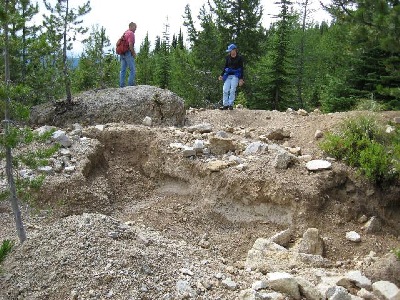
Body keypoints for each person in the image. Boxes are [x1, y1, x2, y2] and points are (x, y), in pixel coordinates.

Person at [218, 43, 244, 110]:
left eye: (230, 50)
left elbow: (241, 69)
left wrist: (241, 79)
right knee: (225, 89)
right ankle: (225, 105)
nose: (230, 52)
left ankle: (230, 104)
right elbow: (225, 67)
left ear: (234, 50)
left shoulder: (239, 58)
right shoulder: (227, 57)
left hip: (235, 75)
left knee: (232, 90)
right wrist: (221, 75)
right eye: (229, 51)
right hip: (228, 75)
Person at [119, 22, 137, 87]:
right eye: (135, 27)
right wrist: (133, 53)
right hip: (128, 53)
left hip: (122, 53)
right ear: (131, 27)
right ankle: (130, 84)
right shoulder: (131, 33)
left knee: (123, 70)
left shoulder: (125, 33)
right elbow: (130, 44)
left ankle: (122, 85)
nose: (135, 29)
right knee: (133, 69)